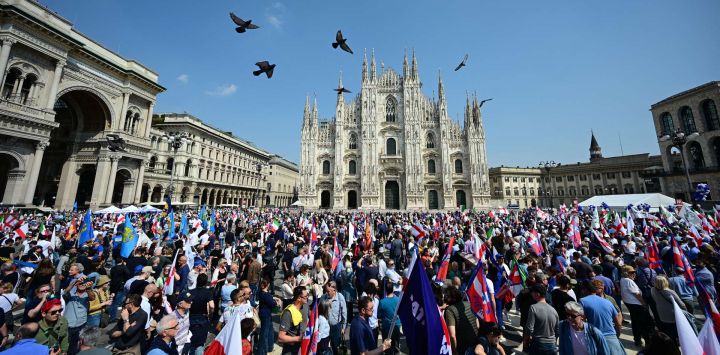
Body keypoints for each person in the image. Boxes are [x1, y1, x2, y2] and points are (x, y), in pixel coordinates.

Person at [620, 266, 652, 347]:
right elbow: (637, 294)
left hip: (631, 304)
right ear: (626, 273)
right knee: (643, 324)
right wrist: (643, 303)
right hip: (637, 305)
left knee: (635, 322)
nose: (634, 274)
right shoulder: (628, 281)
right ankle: (647, 342)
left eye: (634, 272)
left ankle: (637, 340)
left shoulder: (622, 279)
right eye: (631, 272)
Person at [522, 284, 558, 355]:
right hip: (552, 345)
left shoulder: (533, 308)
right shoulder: (554, 310)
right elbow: (557, 330)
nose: (531, 294)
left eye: (532, 292)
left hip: (538, 344)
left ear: (537, 294)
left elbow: (529, 328)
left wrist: (525, 340)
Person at [443, 285, 478, 354]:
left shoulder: (450, 310)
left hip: (463, 347)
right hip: (475, 342)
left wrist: (454, 351)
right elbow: (477, 326)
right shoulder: (469, 304)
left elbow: (452, 336)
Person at [650, 275, 686, 341]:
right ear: (665, 282)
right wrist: (685, 311)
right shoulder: (670, 292)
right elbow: (681, 304)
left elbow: (655, 300)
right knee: (676, 331)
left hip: (661, 313)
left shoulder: (652, 290)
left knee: (668, 330)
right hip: (673, 315)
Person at [278, 286, 308, 355]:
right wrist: (299, 338)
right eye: (306, 296)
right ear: (299, 298)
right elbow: (280, 337)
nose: (307, 298)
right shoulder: (288, 313)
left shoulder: (305, 306)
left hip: (302, 348)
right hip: (290, 350)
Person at [321, 281, 347, 355]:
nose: (327, 293)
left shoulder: (340, 297)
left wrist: (343, 327)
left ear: (334, 290)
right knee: (324, 348)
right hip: (325, 327)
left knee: (336, 347)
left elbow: (344, 313)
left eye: (328, 291)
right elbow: (319, 310)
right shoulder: (323, 297)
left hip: (336, 327)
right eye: (326, 291)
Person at [256, 278, 280, 355]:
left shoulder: (261, 292)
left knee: (270, 330)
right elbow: (272, 304)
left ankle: (269, 347)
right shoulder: (266, 294)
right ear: (268, 285)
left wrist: (273, 298)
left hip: (264, 313)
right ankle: (262, 351)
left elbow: (268, 300)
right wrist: (277, 302)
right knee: (264, 333)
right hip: (266, 315)